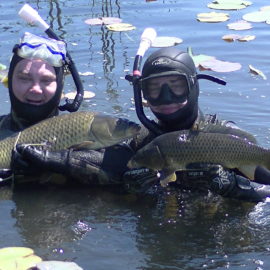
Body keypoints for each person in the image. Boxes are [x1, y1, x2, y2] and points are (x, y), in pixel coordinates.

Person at [7, 46, 270, 202]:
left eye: (175, 87)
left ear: (193, 87)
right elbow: (99, 162)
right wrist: (51, 160)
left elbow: (265, 192)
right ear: (142, 94)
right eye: (154, 90)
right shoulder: (139, 142)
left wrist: (234, 188)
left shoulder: (226, 137)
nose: (165, 99)